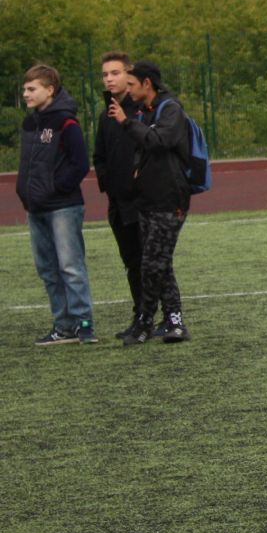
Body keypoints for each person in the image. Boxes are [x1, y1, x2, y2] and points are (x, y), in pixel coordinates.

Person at [115, 61, 192, 344]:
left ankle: (145, 321)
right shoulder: (145, 112)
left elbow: (159, 140)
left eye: (132, 83)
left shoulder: (170, 109)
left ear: (147, 84)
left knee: (151, 263)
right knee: (160, 263)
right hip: (148, 200)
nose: (128, 88)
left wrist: (126, 123)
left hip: (169, 200)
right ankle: (174, 320)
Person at [17, 64, 94, 345]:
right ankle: (63, 327)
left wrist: (53, 189)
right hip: (35, 208)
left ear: (49, 90)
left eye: (31, 89)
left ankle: (84, 325)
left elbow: (80, 164)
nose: (26, 94)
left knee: (70, 267)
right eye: (25, 89)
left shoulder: (66, 123)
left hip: (63, 207)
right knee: (48, 269)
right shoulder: (30, 123)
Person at [94, 51, 145, 338]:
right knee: (131, 262)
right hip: (117, 202)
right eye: (105, 74)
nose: (109, 78)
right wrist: (108, 183)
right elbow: (99, 155)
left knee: (148, 261)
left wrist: (136, 181)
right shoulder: (106, 115)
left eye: (115, 73)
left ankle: (159, 317)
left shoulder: (142, 111)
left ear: (129, 75)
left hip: (141, 200)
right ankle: (140, 315)